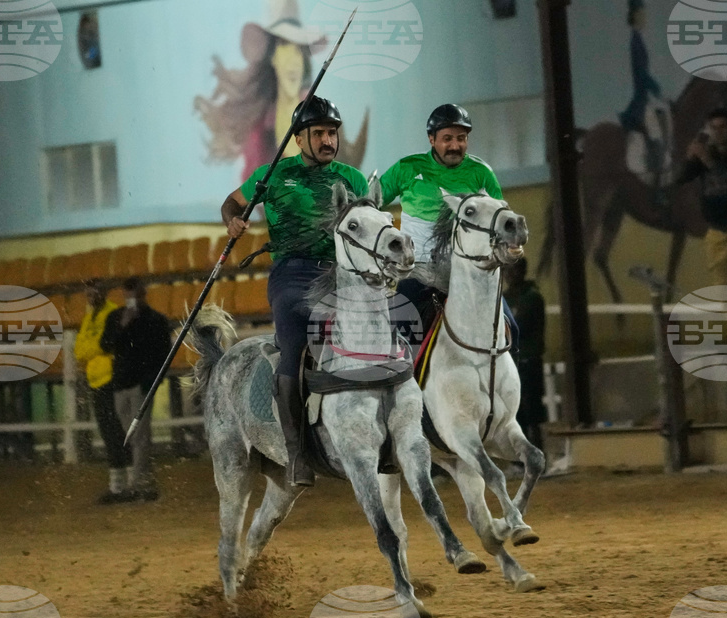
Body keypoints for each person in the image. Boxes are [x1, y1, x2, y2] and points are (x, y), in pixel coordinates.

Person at [220, 95, 368, 487]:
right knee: (294, 343)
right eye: (318, 133)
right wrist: (233, 223)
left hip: (342, 273)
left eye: (332, 132)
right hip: (293, 275)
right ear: (299, 139)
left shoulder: (353, 179)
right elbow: (231, 205)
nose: (327, 140)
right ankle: (298, 454)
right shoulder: (271, 176)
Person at [380, 103, 519, 345]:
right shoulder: (407, 168)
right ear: (431, 139)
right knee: (398, 328)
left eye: (461, 138)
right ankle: (402, 383)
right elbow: (370, 204)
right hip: (419, 272)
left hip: (469, 272)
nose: (455, 146)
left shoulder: (481, 173)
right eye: (447, 139)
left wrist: (510, 244)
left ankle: (509, 383)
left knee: (511, 331)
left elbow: (500, 220)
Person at [195, 0, 367, 182]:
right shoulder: (259, 131)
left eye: (298, 49)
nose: (293, 60)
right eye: (285, 46)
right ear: (273, 57)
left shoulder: (323, 117)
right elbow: (254, 192)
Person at [100, 277, 172, 501]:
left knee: (138, 436)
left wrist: (151, 382)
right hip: (122, 383)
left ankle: (138, 483)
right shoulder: (116, 318)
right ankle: (141, 482)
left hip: (138, 384)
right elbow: (105, 344)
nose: (132, 299)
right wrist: (122, 326)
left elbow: (163, 354)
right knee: (132, 435)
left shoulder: (156, 321)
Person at [676, 108, 727, 290]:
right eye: (713, 128)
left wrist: (707, 159)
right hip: (715, 231)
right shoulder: (705, 155)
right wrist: (688, 158)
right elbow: (679, 179)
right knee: (723, 289)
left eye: (723, 127)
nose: (718, 132)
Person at [74, 279, 130, 504]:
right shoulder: (89, 317)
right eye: (88, 293)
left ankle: (127, 484)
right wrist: (94, 348)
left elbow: (106, 345)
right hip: (96, 381)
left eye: (94, 292)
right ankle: (119, 486)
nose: (91, 296)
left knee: (118, 432)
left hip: (111, 379)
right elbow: (79, 351)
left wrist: (93, 348)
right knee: (109, 433)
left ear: (103, 293)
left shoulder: (113, 313)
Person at [618, 0, 668, 190]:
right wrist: (657, 89)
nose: (645, 17)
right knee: (657, 139)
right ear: (635, 15)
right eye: (642, 13)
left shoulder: (638, 39)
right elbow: (641, 74)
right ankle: (657, 189)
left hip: (644, 97)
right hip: (641, 101)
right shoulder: (635, 41)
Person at [502, 258, 547, 452]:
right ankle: (523, 458)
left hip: (528, 361)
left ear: (522, 271)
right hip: (509, 363)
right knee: (515, 413)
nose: (510, 275)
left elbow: (515, 327)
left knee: (532, 410)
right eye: (506, 270)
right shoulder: (504, 298)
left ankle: (538, 452)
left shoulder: (532, 297)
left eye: (514, 270)